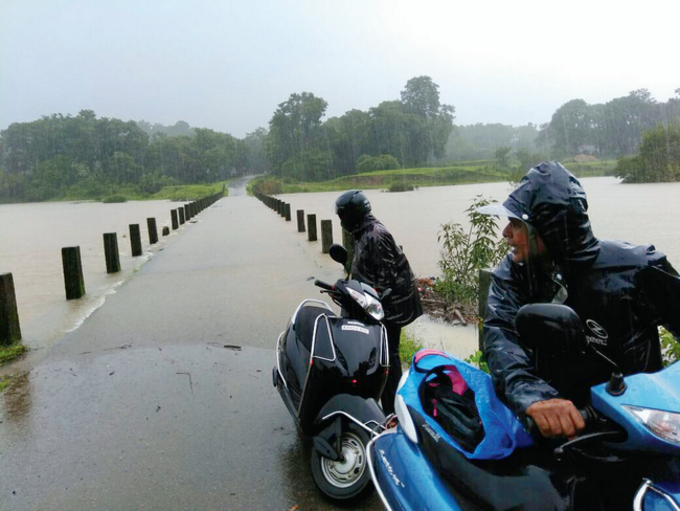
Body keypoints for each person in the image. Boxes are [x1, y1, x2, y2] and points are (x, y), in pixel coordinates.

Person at [479, 161, 680, 440]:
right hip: (557, 426)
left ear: (546, 229)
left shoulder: (635, 269)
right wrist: (533, 396)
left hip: (641, 426)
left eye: (516, 224)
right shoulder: (514, 272)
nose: (506, 234)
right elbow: (500, 332)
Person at [335, 190, 422, 415]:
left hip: (392, 307)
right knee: (381, 353)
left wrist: (365, 302)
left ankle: (393, 410)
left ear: (352, 215)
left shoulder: (375, 235)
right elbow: (364, 271)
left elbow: (382, 282)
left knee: (388, 356)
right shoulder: (363, 233)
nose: (341, 222)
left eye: (342, 217)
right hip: (381, 305)